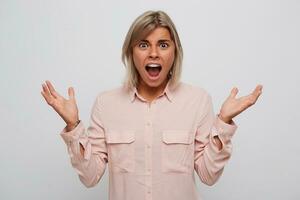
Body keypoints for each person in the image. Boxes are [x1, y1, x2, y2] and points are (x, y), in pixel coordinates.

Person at [41, 10, 263, 200]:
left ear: (175, 52)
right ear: (131, 52)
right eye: (143, 44)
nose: (154, 53)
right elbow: (90, 177)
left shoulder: (197, 100)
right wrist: (73, 126)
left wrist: (223, 123)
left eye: (163, 45)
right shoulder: (106, 104)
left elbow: (208, 175)